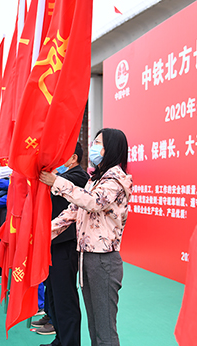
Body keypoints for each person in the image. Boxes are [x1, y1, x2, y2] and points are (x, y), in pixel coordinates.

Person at [39, 129, 133, 346]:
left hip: (103, 261)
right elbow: (72, 212)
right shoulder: (95, 179)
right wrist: (42, 234)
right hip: (88, 258)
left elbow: (92, 202)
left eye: (98, 143)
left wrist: (57, 183)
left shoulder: (116, 180)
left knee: (105, 329)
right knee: (95, 325)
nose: (93, 147)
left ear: (112, 148)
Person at [35, 142, 89, 345]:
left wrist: (52, 176)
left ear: (73, 158)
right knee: (54, 295)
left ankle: (69, 342)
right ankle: (60, 339)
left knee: (65, 297)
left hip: (66, 245)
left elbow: (59, 183)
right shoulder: (62, 177)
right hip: (52, 242)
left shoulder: (78, 177)